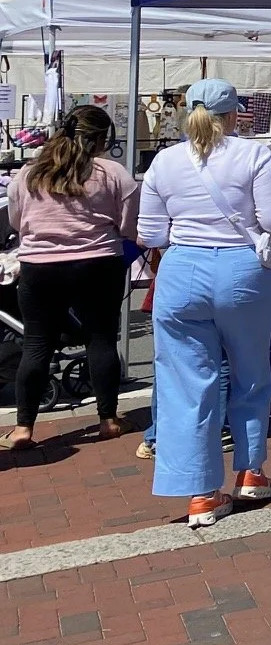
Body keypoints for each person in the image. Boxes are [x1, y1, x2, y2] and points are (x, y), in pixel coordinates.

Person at [137, 78, 271, 527]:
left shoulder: (164, 162)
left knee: (186, 384)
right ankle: (250, 470)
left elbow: (150, 234)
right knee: (251, 373)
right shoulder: (253, 154)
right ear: (233, 115)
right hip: (241, 270)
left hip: (181, 271)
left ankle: (200, 493)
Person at [5, 107, 139, 449]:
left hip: (40, 267)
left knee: (36, 344)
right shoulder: (112, 173)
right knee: (101, 338)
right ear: (100, 139)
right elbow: (129, 227)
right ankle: (108, 418)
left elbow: (18, 223)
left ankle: (23, 428)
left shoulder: (29, 174)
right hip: (97, 264)